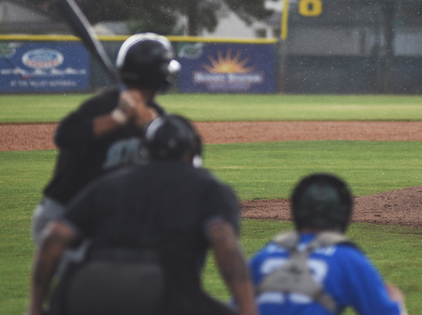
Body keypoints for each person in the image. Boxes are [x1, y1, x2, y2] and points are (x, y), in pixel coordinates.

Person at [27, 114, 257, 315]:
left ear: (144, 149)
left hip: (85, 286)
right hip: (158, 286)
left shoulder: (108, 183)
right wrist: (248, 308)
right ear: (192, 149)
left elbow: (54, 237)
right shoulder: (209, 187)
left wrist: (35, 307)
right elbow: (223, 240)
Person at [31, 32, 181, 245]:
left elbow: (174, 165)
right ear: (161, 76)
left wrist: (153, 128)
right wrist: (117, 118)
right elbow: (65, 136)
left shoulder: (154, 115)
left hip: (101, 218)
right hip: (62, 216)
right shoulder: (102, 105)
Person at [249, 173, 408, 315]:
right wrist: (397, 303)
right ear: (340, 212)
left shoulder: (265, 254)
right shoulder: (347, 258)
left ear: (298, 210)